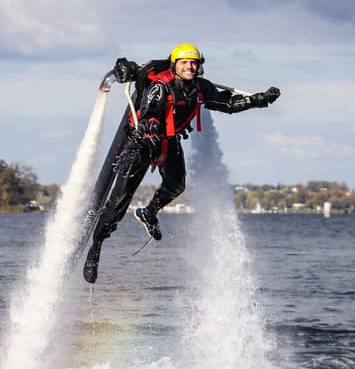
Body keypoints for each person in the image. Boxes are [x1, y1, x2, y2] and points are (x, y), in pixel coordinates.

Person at [83, 43, 280, 283]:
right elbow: (150, 112)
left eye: (194, 63)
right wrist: (149, 126)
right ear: (175, 64)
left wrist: (260, 100)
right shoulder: (160, 86)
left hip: (168, 141)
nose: (190, 66)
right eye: (185, 62)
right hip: (142, 144)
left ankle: (149, 212)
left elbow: (227, 104)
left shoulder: (200, 88)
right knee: (116, 207)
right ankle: (96, 248)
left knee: (176, 185)